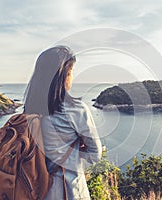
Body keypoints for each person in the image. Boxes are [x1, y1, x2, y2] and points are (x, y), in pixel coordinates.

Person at [23, 45, 102, 199]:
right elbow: (95, 155)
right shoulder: (75, 109)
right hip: (69, 190)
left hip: (37, 190)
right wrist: (76, 151)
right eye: (71, 72)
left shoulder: (30, 108)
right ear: (63, 75)